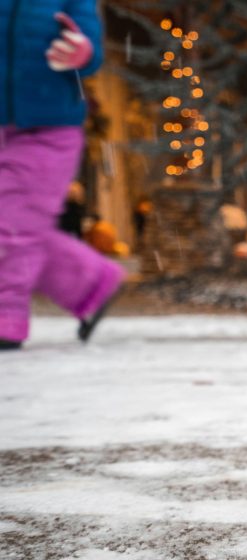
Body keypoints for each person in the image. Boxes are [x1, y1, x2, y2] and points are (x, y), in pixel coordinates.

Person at [0, 2, 123, 350]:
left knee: (13, 227)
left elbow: (92, 49)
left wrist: (82, 52)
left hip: (48, 129)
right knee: (17, 223)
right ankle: (91, 283)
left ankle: (6, 318)